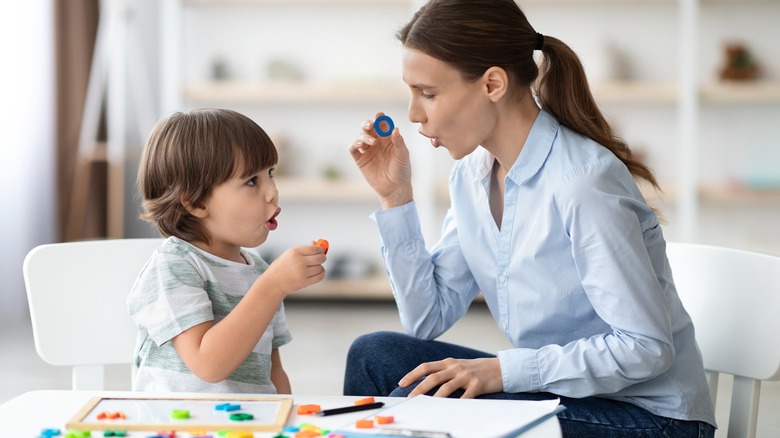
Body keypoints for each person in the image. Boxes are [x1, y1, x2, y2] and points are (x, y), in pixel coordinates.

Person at [344, 0, 717, 436]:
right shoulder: (471, 176)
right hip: (567, 398)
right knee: (374, 356)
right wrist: (396, 199)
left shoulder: (582, 183)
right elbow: (428, 317)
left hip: (650, 418)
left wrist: (502, 371)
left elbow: (646, 349)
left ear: (493, 84)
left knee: (459, 409)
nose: (413, 113)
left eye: (428, 93)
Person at [128, 108, 327, 393]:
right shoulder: (173, 266)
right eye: (251, 181)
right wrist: (273, 286)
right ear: (195, 203)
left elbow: (274, 370)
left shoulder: (259, 270)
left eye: (270, 173)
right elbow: (208, 364)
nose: (273, 191)